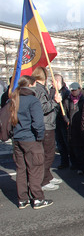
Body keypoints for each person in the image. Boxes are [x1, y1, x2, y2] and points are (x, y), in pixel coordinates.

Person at [10, 75, 53, 209]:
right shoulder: (32, 100)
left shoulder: (14, 99)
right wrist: (39, 137)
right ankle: (37, 198)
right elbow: (38, 123)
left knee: (21, 170)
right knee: (35, 169)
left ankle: (22, 199)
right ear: (31, 85)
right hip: (30, 139)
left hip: (17, 139)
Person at [32, 67, 62, 191]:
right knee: (48, 154)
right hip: (46, 125)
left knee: (48, 153)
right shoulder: (38, 89)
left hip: (48, 124)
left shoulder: (41, 88)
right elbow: (43, 108)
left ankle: (47, 176)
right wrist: (55, 101)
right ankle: (43, 180)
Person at [67, 82, 84, 175]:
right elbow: (64, 112)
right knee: (76, 148)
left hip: (81, 126)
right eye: (72, 90)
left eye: (75, 90)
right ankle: (81, 167)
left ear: (79, 89)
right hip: (72, 128)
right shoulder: (68, 100)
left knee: (83, 148)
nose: (73, 92)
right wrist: (67, 120)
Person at [50, 74, 72, 170]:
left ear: (57, 81)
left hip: (64, 121)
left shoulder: (66, 92)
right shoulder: (52, 91)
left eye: (52, 81)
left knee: (67, 142)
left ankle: (73, 161)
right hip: (56, 121)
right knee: (60, 143)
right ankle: (64, 162)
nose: (51, 83)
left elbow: (68, 107)